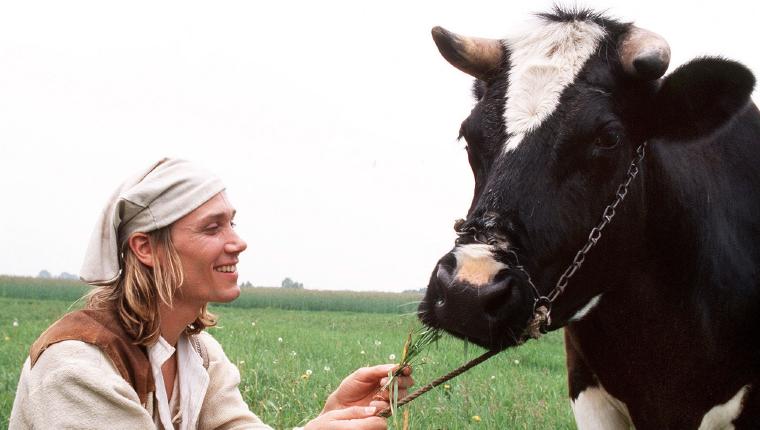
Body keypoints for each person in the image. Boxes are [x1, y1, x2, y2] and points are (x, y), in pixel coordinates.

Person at [9, 158, 413, 429]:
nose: (237, 242)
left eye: (232, 223)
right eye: (212, 227)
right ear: (146, 248)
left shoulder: (196, 352)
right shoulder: (76, 369)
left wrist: (331, 416)